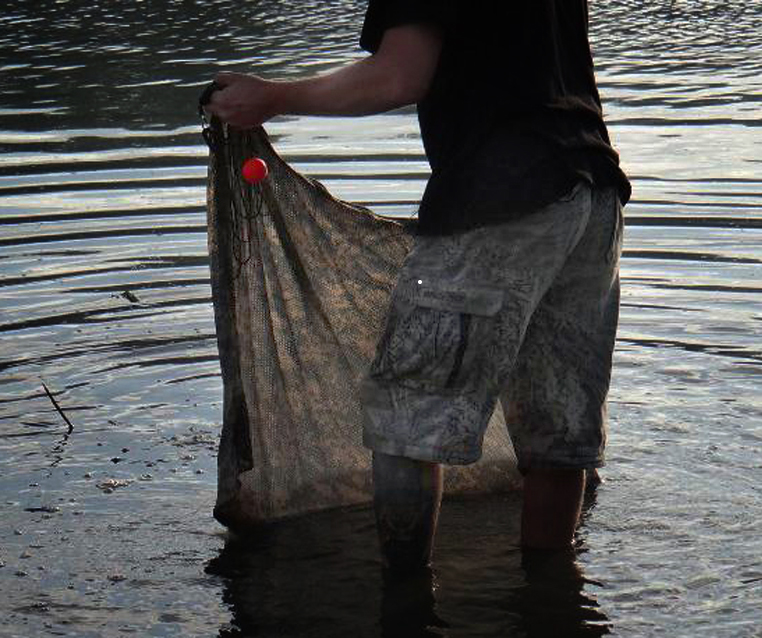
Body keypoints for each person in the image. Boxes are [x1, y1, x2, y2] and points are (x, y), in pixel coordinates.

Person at [206, 0, 630, 573]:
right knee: (556, 430)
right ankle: (552, 590)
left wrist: (274, 97)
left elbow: (398, 76)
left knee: (404, 418)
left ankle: (406, 601)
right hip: (593, 194)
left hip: (502, 194)